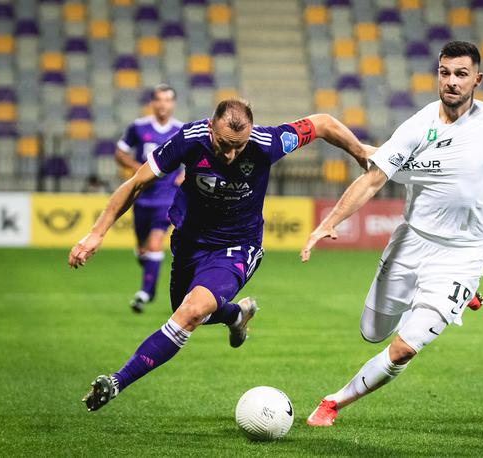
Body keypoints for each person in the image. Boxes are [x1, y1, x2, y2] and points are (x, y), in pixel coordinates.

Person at [300, 41, 483, 426]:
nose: (451, 82)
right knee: (372, 332)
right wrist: (329, 222)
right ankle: (448, 299)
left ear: (477, 80)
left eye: (461, 74)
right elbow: (373, 180)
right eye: (445, 72)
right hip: (411, 243)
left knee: (403, 348)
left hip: (463, 255)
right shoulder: (417, 126)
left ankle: (333, 403)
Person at [69, 99, 372, 412]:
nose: (231, 155)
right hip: (189, 243)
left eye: (238, 148)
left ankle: (116, 381)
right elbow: (136, 184)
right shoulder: (189, 139)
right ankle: (235, 315)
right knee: (185, 310)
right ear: (211, 127)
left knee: (189, 313)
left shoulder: (267, 143)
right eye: (225, 145)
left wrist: (360, 152)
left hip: (237, 246)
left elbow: (322, 123)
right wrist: (96, 233)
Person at [114, 84, 184, 313]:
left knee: (155, 243)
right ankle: (149, 279)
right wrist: (138, 168)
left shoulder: (181, 130)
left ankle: (144, 293)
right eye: (159, 100)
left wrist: (186, 173)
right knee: (143, 250)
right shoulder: (138, 127)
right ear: (152, 103)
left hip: (167, 199)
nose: (163, 104)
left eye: (167, 100)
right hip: (141, 198)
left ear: (173, 104)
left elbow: (198, 157)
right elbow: (120, 152)